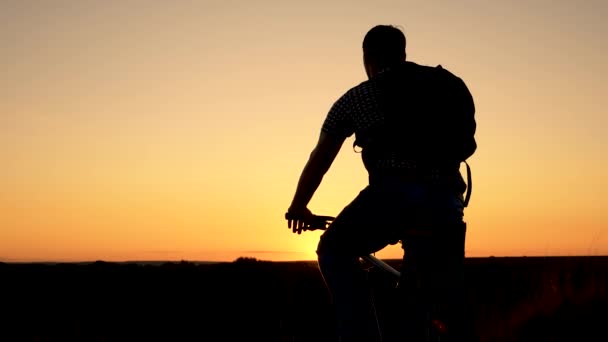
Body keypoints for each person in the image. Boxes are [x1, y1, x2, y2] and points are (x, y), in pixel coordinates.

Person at [285, 25, 477, 341]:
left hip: (393, 196)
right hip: (447, 200)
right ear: (402, 52)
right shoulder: (446, 86)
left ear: (367, 57)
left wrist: (298, 205)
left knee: (334, 250)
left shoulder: (360, 96)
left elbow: (321, 157)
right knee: (430, 293)